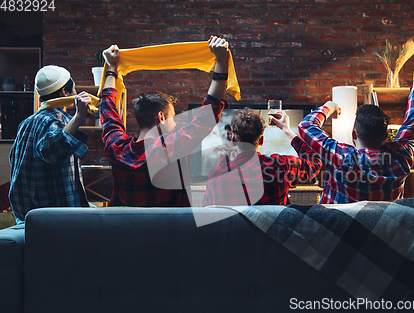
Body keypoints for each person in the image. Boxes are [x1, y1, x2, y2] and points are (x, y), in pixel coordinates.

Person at [99, 36, 230, 207]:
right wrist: (221, 59)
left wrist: (111, 67)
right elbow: (208, 113)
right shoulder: (171, 148)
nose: (175, 125)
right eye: (173, 118)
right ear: (161, 118)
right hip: (170, 230)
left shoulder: (117, 148)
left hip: (127, 230)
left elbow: (107, 109)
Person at [298, 82, 414, 204]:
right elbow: (412, 123)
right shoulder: (401, 156)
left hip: (341, 224)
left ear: (353, 134)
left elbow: (306, 125)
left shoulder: (343, 157)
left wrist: (329, 107)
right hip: (384, 225)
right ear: (385, 136)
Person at [9, 65, 92, 224]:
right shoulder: (56, 120)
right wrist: (79, 116)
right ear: (64, 92)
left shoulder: (26, 123)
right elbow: (51, 151)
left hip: (26, 217)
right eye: (73, 88)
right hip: (54, 220)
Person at [203, 108, 322, 206]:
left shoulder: (215, 176)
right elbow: (315, 163)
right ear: (261, 140)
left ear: (234, 141)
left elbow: (207, 213)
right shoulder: (281, 165)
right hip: (273, 234)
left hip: (234, 235)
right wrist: (287, 130)